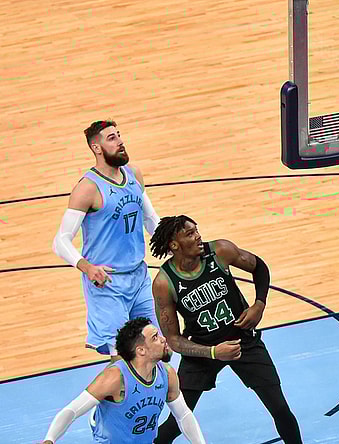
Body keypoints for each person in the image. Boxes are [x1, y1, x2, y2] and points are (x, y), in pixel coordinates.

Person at [149, 215, 302, 444]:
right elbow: (173, 339)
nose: (198, 235)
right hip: (202, 350)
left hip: (243, 342)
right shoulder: (164, 283)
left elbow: (259, 267)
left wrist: (259, 304)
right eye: (190, 233)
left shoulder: (220, 251)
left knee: (280, 409)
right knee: (175, 423)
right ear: (174, 244)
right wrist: (212, 352)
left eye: (196, 230)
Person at [52, 120, 162, 358]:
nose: (120, 141)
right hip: (107, 284)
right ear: (96, 148)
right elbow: (60, 240)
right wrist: (87, 267)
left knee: (157, 351)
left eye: (119, 135)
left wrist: (173, 247)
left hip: (139, 277)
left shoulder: (133, 174)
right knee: (123, 360)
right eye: (111, 138)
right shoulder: (87, 188)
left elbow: (150, 218)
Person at [41, 317, 206, 444]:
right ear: (141, 350)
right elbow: (73, 410)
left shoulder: (167, 374)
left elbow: (183, 414)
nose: (163, 339)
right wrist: (50, 439)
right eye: (155, 338)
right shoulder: (115, 378)